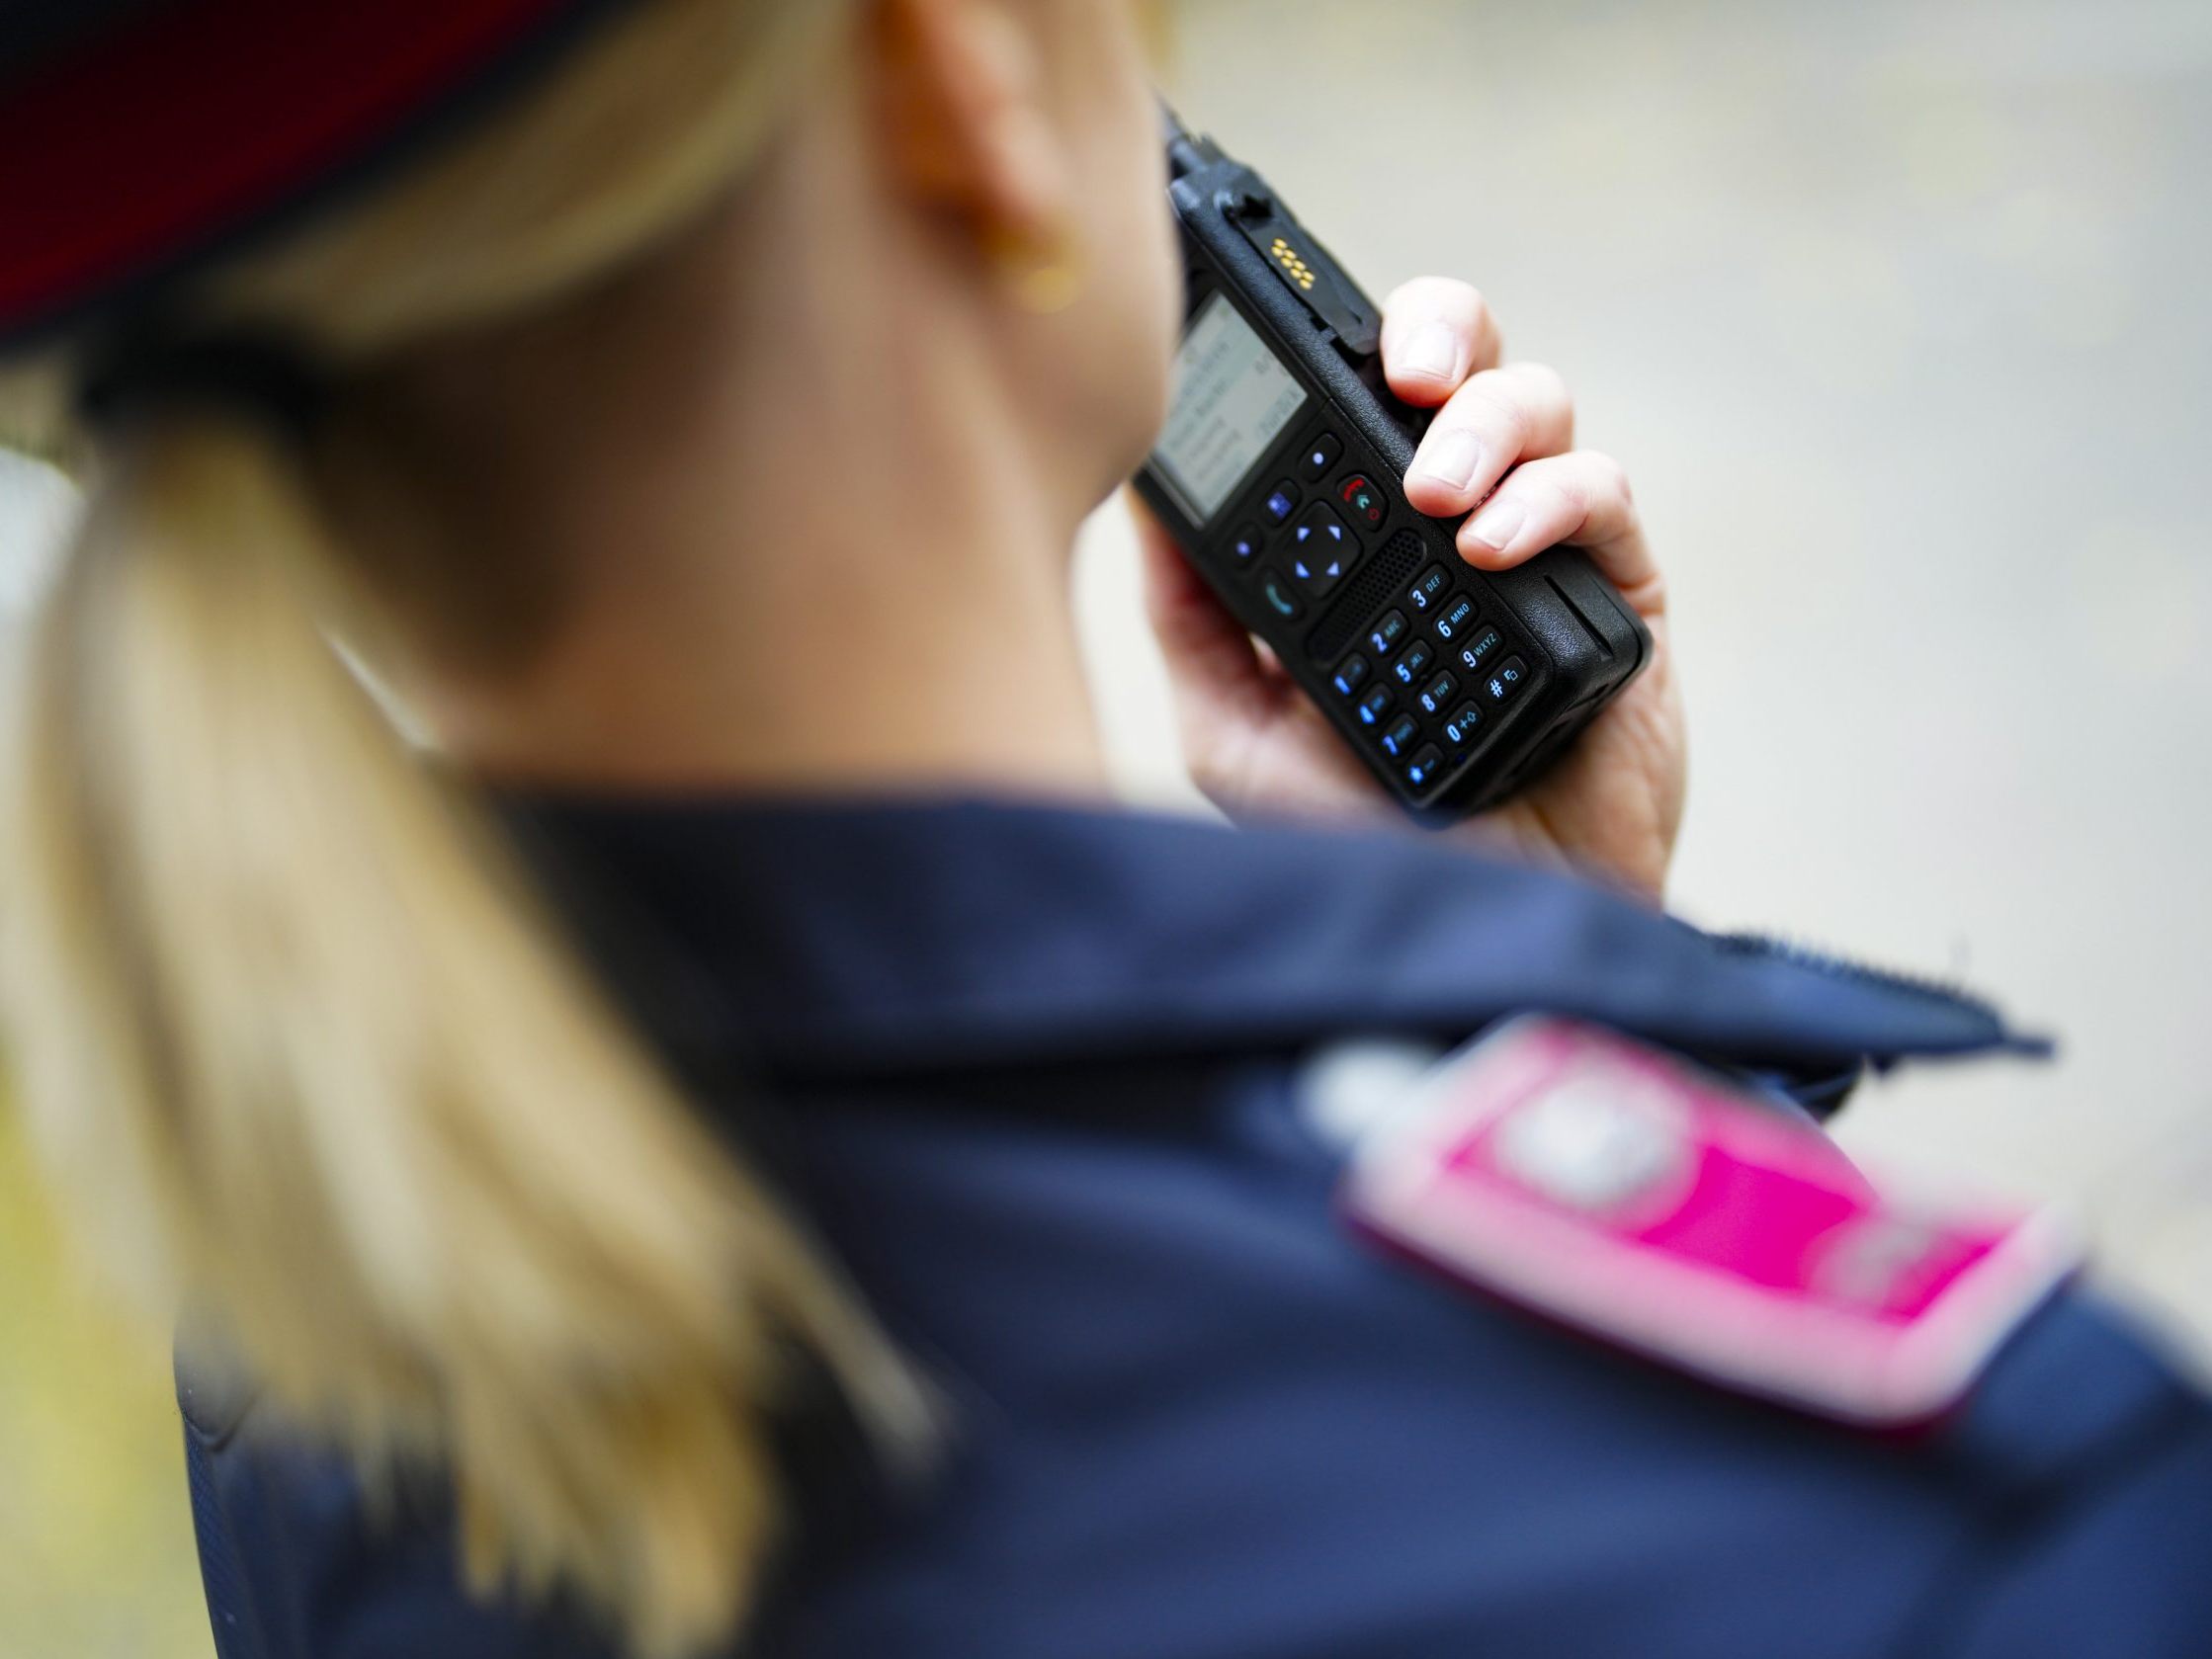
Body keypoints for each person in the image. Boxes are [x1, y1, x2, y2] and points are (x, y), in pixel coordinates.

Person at [1, 2, 2208, 1657]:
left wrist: (1470, 970)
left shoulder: (344, 1311)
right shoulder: (1973, 1518)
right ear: (956, 82)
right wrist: (1599, 1061)